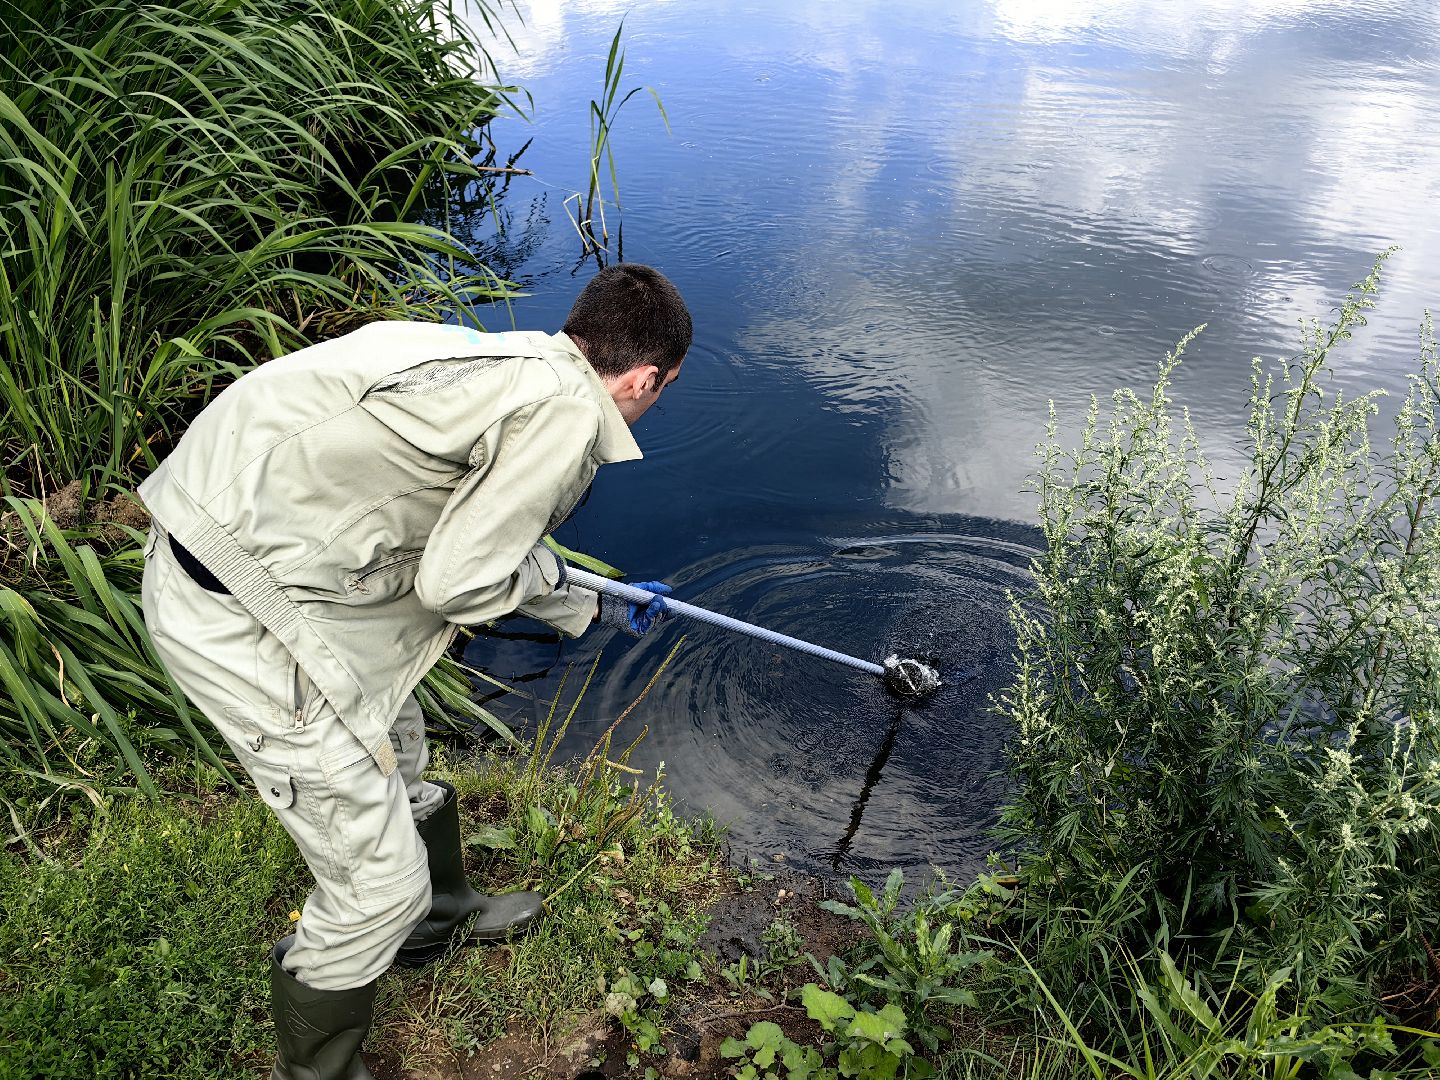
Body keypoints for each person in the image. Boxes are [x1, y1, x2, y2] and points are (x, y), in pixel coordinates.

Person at [137, 263, 690, 1079]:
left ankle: (433, 919)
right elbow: (456, 581)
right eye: (664, 389)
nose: (656, 399)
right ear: (645, 377)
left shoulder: (515, 359)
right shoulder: (569, 412)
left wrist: (587, 600)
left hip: (262, 549)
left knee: (393, 731)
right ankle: (320, 1061)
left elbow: (471, 526)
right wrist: (572, 596)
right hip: (237, 609)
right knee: (373, 884)